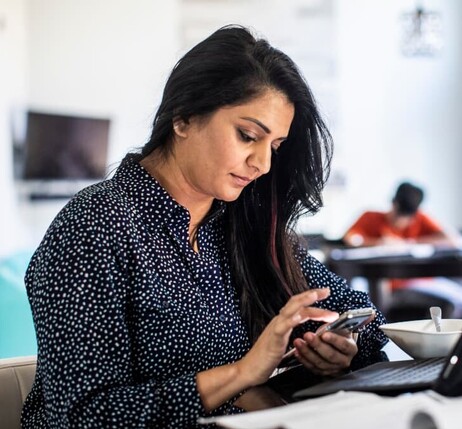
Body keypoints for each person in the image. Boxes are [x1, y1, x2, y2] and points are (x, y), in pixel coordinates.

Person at [21, 26, 388, 427]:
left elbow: (366, 320)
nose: (263, 164)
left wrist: (340, 349)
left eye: (275, 147)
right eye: (248, 136)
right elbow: (83, 418)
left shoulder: (239, 226)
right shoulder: (94, 227)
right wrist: (241, 376)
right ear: (184, 117)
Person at [342, 182, 462, 321]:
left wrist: (410, 243)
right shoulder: (371, 217)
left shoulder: (420, 219)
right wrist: (379, 243)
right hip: (387, 286)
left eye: (407, 219)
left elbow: (453, 241)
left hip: (419, 281)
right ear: (393, 204)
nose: (402, 222)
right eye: (398, 216)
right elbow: (350, 238)